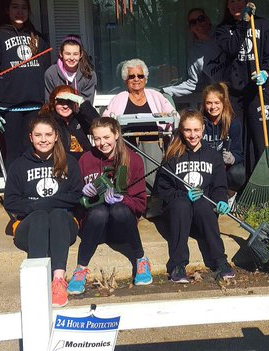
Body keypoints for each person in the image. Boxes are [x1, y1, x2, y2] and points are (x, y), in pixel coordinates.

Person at [4, 114, 83, 308]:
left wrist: (47, 203)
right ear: (31, 137)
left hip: (63, 226)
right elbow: (11, 202)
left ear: (56, 136)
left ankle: (58, 280)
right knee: (39, 216)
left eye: (48, 134)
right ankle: (38, 281)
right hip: (30, 226)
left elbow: (77, 196)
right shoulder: (19, 165)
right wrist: (38, 207)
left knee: (57, 214)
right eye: (38, 135)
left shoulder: (69, 162)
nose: (43, 139)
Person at [67, 117, 152, 295]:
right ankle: (81, 269)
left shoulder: (133, 160)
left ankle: (141, 258)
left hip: (121, 225)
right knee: (99, 212)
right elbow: (75, 201)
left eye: (106, 137)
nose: (102, 143)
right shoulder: (86, 160)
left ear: (116, 134)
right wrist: (83, 194)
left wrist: (123, 199)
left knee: (118, 209)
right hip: (94, 226)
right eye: (97, 139)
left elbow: (141, 204)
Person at [216, 0, 269, 173]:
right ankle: (240, 185)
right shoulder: (223, 30)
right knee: (239, 139)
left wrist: (265, 72)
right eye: (232, 1)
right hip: (235, 94)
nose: (236, 4)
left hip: (259, 90)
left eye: (240, 0)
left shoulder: (263, 25)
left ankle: (265, 185)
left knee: (262, 139)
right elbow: (232, 49)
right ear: (227, 6)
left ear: (247, 1)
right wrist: (243, 23)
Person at [156, 109, 233, 282]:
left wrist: (221, 200)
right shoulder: (172, 155)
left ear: (203, 129)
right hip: (178, 217)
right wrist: (182, 194)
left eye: (196, 130)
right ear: (181, 130)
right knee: (182, 204)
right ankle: (177, 265)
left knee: (203, 204)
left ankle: (220, 261)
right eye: (188, 130)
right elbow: (162, 190)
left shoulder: (213, 156)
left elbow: (219, 186)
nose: (192, 135)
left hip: (201, 217)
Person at [0, 0, 51, 169]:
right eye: (15, 7)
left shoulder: (38, 37)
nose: (19, 11)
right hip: (10, 105)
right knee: (13, 152)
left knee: (32, 149)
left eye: (23, 7)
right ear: (7, 10)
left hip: (35, 104)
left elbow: (46, 70)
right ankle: (14, 193)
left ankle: (30, 190)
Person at [161, 8, 225, 98]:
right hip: (221, 96)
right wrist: (165, 91)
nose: (198, 24)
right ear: (190, 28)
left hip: (238, 89)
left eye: (201, 19)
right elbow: (194, 83)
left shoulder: (222, 34)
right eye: (193, 22)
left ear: (207, 19)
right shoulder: (195, 54)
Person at [103, 58, 176, 135]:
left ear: (145, 79)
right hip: (126, 144)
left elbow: (174, 117)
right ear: (125, 80)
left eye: (140, 76)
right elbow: (105, 123)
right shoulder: (118, 99)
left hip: (155, 143)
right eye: (131, 76)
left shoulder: (157, 96)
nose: (136, 79)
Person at [202, 83, 245, 205]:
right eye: (209, 103)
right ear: (204, 104)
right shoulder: (200, 122)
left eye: (216, 103)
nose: (213, 106)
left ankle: (229, 195)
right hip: (205, 166)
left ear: (223, 103)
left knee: (239, 172)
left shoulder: (233, 122)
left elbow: (239, 154)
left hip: (225, 168)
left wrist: (232, 158)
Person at [40, 84, 100, 160]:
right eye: (61, 102)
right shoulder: (48, 122)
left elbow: (101, 125)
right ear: (53, 103)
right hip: (63, 163)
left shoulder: (78, 119)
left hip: (86, 162)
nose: (65, 106)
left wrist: (82, 102)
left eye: (69, 102)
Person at [44, 35, 97, 104]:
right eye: (68, 54)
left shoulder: (89, 75)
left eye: (75, 54)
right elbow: (49, 102)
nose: (71, 58)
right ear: (61, 54)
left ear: (81, 55)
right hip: (57, 113)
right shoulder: (51, 73)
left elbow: (87, 105)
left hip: (81, 114)